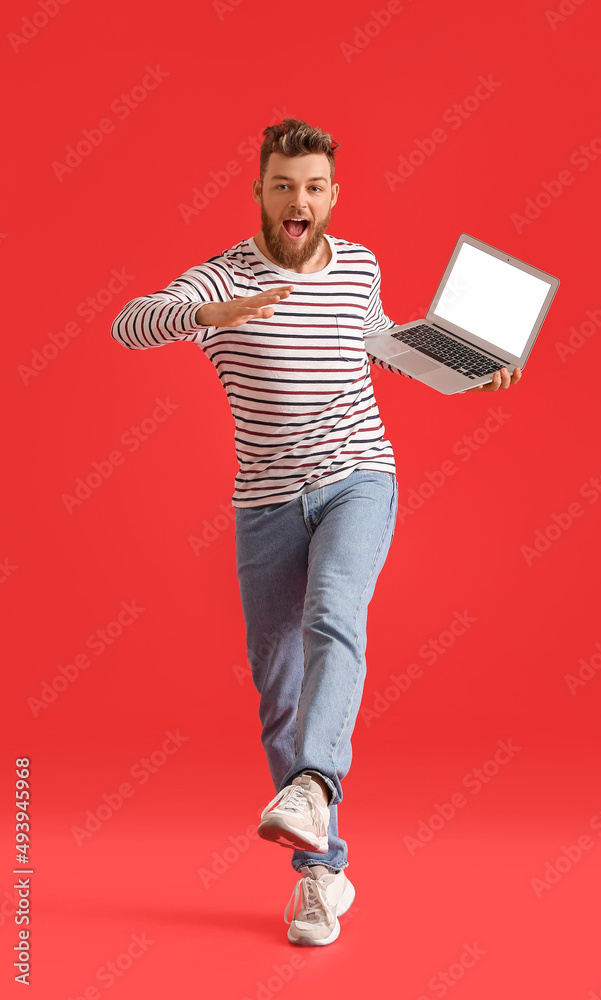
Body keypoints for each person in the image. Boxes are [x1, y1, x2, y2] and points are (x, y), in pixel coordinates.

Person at [110, 118, 521, 947]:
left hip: (357, 478)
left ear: (331, 195)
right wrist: (210, 310)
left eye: (313, 186)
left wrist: (466, 370)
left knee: (335, 612)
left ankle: (308, 784)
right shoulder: (216, 280)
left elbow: (377, 344)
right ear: (259, 191)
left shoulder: (358, 264)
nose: (298, 200)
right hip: (264, 502)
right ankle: (321, 875)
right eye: (282, 185)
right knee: (278, 692)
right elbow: (130, 321)